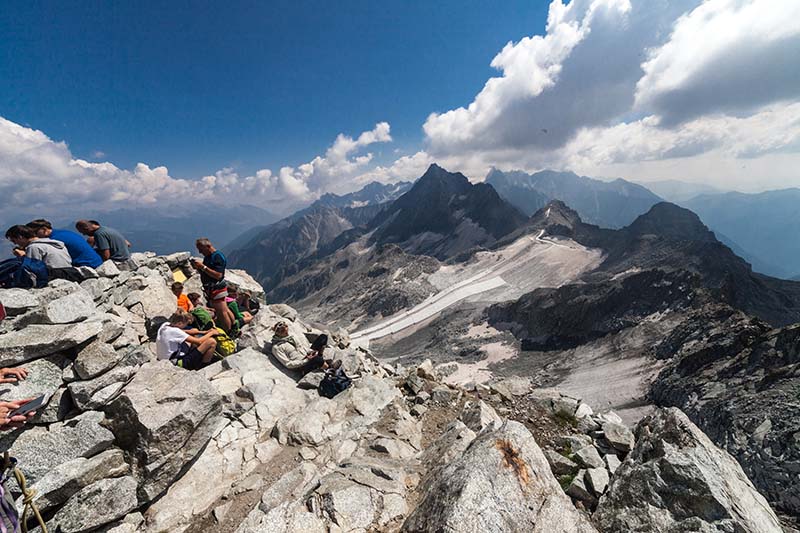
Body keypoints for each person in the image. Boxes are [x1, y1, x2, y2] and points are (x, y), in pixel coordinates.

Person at [4, 225, 84, 282]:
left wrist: (22, 257)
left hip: (53, 276)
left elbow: (32, 270)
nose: (15, 244)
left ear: (20, 237)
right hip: (69, 273)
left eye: (14, 241)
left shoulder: (34, 247)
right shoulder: (55, 243)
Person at [191, 238, 235, 333]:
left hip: (216, 288)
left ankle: (228, 331)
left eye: (201, 249)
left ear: (208, 246)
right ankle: (234, 326)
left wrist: (203, 267)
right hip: (212, 288)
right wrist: (199, 268)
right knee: (225, 309)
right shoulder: (208, 257)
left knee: (221, 312)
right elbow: (207, 272)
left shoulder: (217, 257)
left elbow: (218, 275)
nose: (200, 252)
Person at [26, 219, 103, 268]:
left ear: (44, 230)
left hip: (86, 265)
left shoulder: (54, 240)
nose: (33, 236)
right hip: (95, 262)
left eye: (35, 232)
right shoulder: (63, 233)